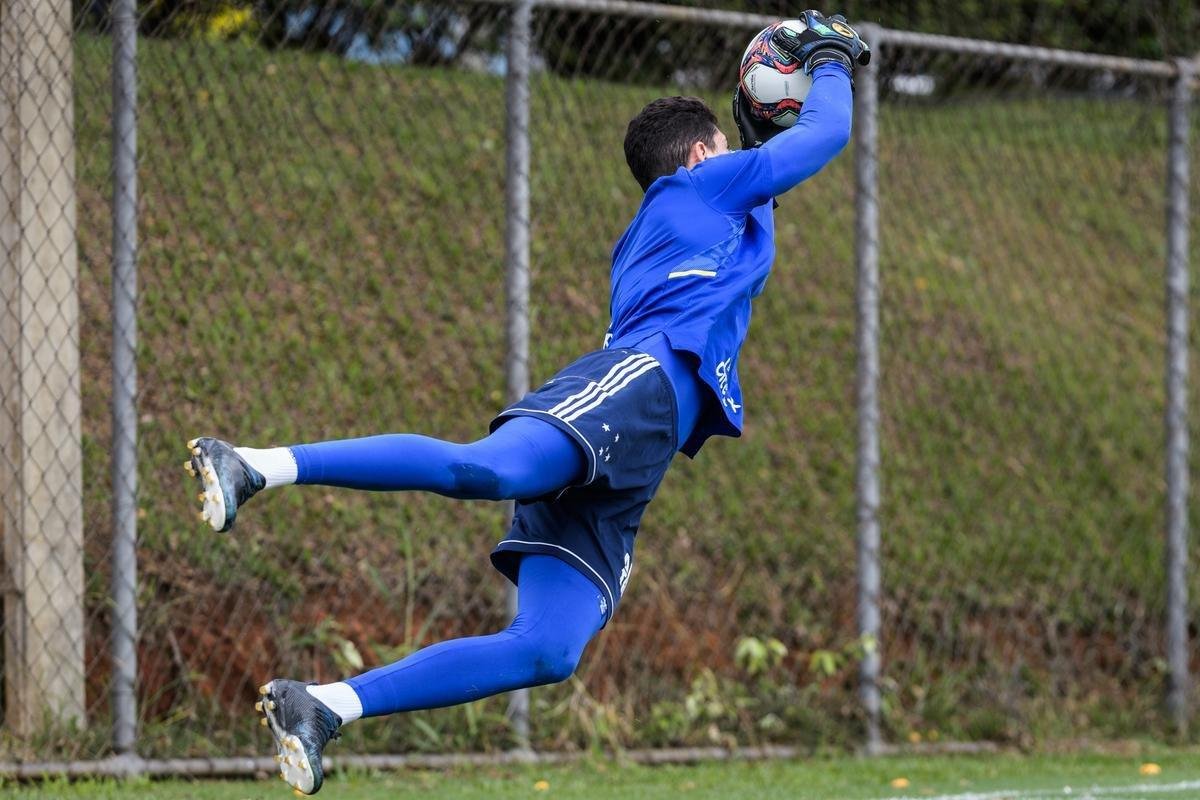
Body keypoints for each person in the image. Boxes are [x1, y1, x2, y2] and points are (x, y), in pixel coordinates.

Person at [184, 11, 868, 794]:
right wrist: (832, 60)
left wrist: (760, 118)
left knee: (549, 648)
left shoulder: (709, 212)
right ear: (701, 156)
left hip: (639, 445)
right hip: (634, 391)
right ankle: (253, 467)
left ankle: (326, 706)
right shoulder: (697, 188)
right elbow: (820, 140)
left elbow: (775, 189)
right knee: (484, 472)